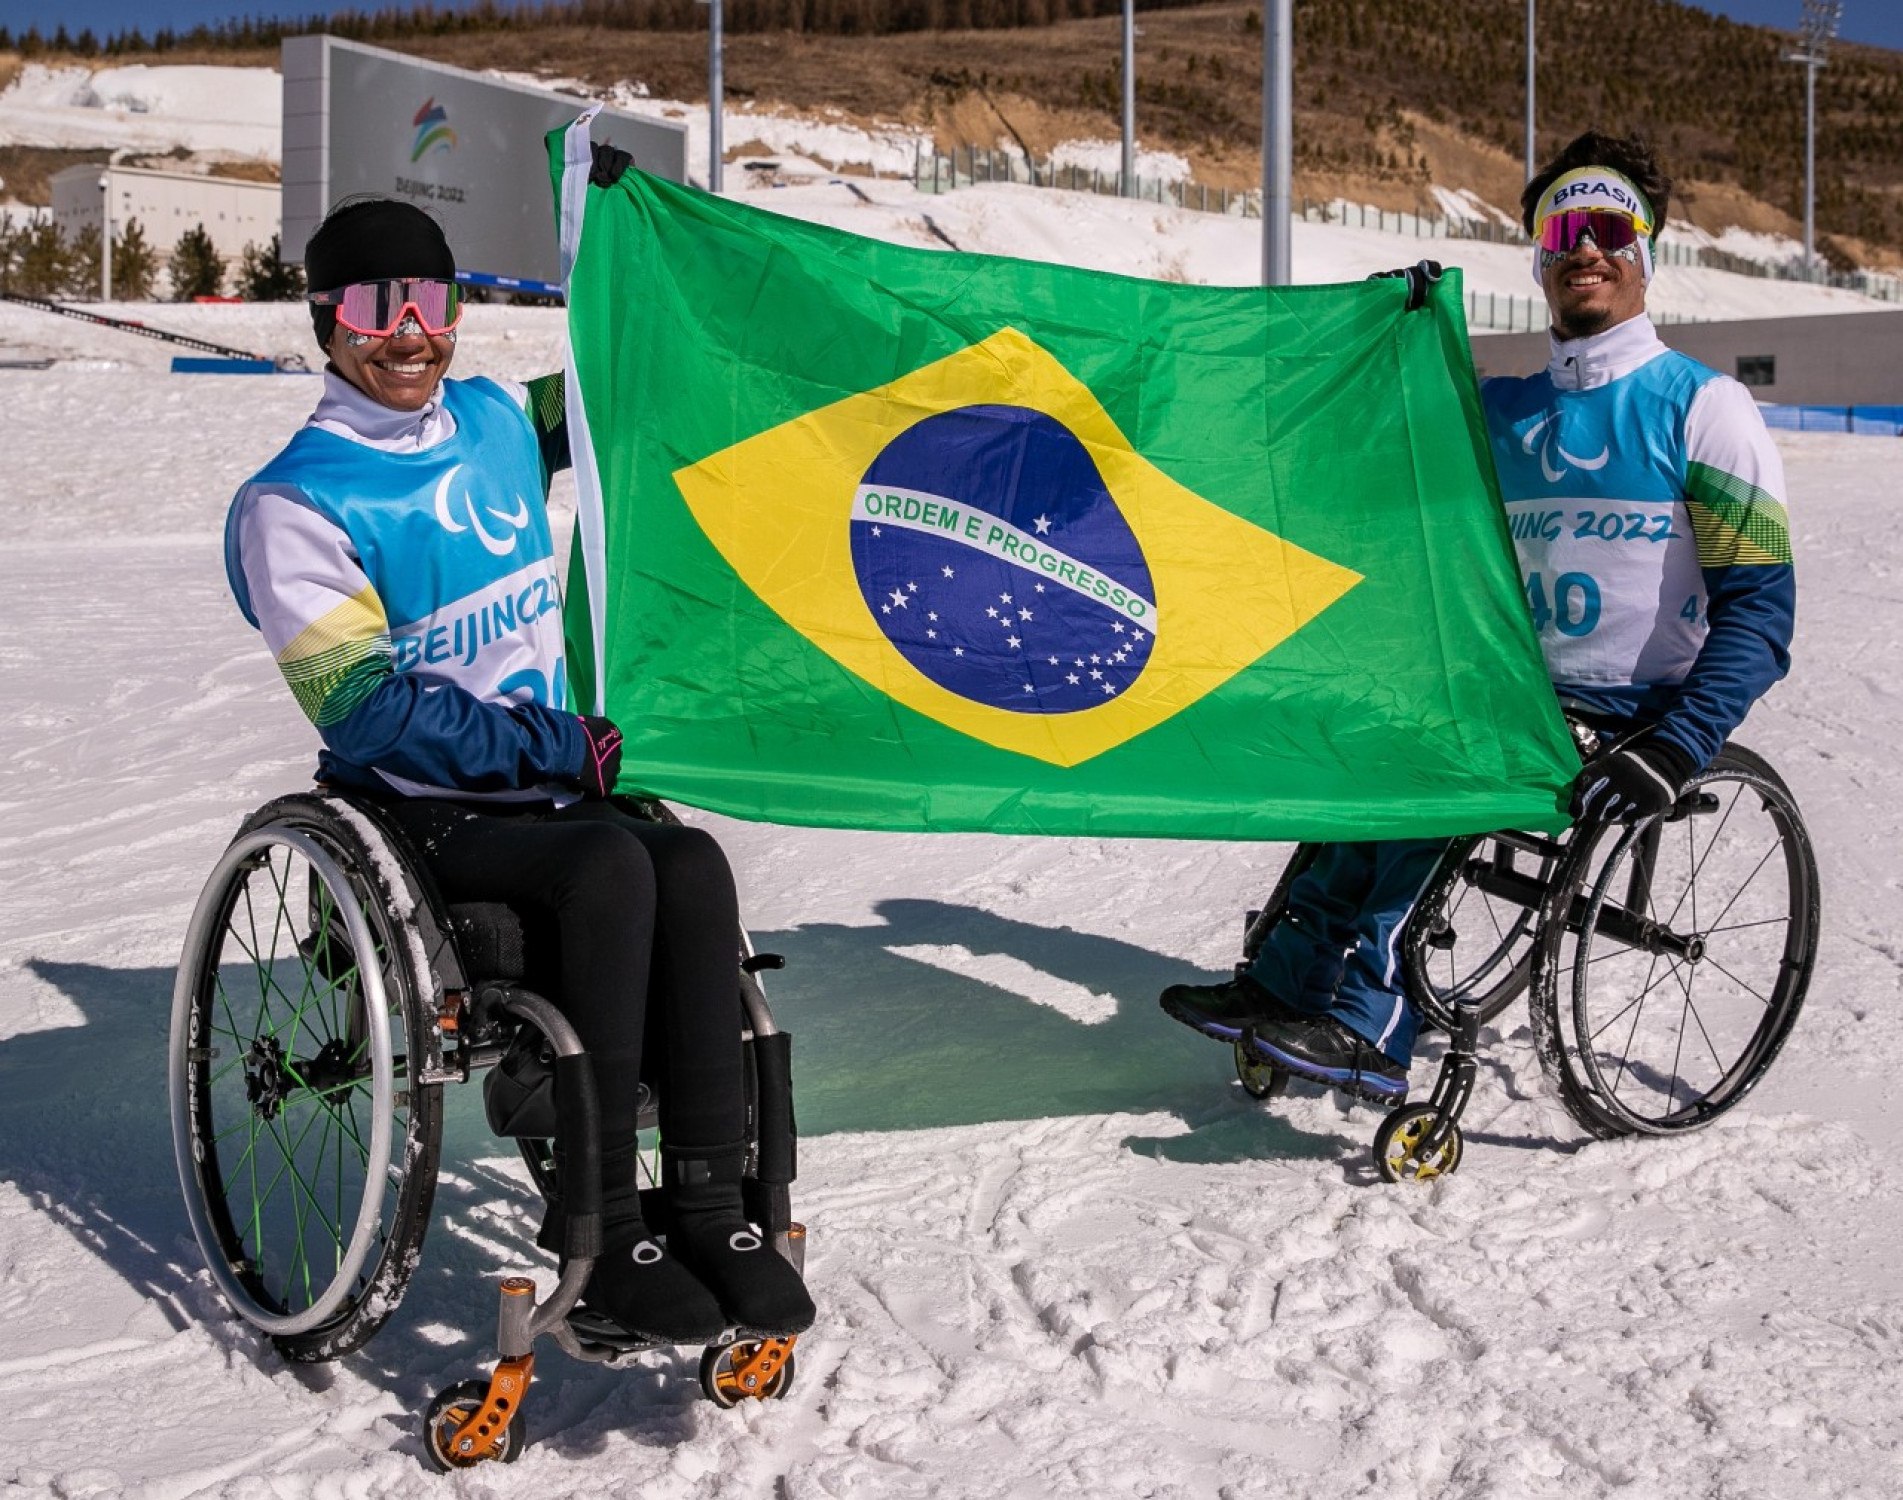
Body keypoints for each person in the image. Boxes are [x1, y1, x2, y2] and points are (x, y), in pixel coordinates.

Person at [223, 195, 814, 1343]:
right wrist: (554, 746)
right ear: (324, 322)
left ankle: (709, 1207)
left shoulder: (493, 418)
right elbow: (368, 710)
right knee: (608, 867)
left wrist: (660, 254)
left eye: (432, 304)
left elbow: (604, 394)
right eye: (374, 307)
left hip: (545, 786)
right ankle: (604, 1229)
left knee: (688, 865)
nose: (409, 335)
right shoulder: (295, 503)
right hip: (418, 809)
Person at [1159, 130, 1796, 1101]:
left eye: (1608, 227)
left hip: (1625, 712)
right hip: (1497, 689)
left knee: (1449, 764)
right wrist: (1391, 324)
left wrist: (1678, 744)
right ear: (1539, 257)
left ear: (1646, 251)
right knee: (1369, 750)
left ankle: (1368, 1018)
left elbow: (1760, 613)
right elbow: (1359, 443)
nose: (1584, 247)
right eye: (1562, 228)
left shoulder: (1704, 408)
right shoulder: (1494, 411)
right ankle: (1283, 982)